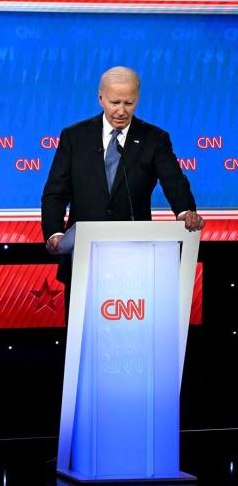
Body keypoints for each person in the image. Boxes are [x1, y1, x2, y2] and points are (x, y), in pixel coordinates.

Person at [41, 66, 205, 319]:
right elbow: (55, 192)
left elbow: (173, 180)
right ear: (100, 98)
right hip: (84, 256)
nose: (121, 110)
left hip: (136, 256)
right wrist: (54, 232)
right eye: (114, 101)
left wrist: (185, 211)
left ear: (137, 99)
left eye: (129, 102)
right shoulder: (74, 136)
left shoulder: (155, 138)